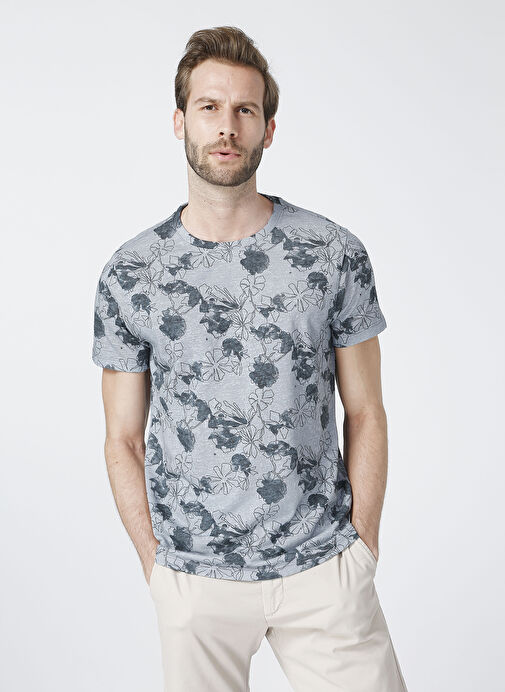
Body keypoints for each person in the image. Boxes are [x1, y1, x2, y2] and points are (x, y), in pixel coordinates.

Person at [91, 25, 408, 692]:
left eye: (245, 110)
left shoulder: (331, 254)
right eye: (208, 107)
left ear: (268, 128)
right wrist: (156, 565)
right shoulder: (132, 273)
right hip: (193, 578)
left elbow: (366, 410)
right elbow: (122, 438)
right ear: (179, 121)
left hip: (322, 568)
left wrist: (362, 546)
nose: (226, 127)